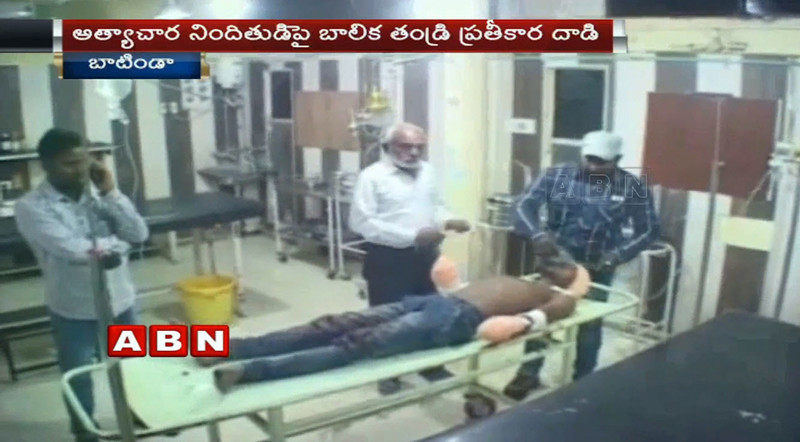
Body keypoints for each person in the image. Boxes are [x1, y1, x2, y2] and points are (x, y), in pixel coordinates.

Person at [201, 239, 591, 393]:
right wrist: (450, 282)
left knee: (353, 345)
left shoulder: (557, 297)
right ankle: (228, 348)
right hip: (433, 303)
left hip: (454, 321)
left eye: (565, 267)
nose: (557, 264)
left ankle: (248, 372)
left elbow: (557, 308)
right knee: (332, 323)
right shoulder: (523, 280)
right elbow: (466, 289)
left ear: (571, 280)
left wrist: (523, 323)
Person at [504, 130, 661, 401]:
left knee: (589, 326)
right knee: (542, 317)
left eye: (602, 162)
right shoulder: (557, 176)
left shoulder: (632, 187)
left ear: (617, 159)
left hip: (599, 267)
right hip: (556, 263)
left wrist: (618, 255)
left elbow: (648, 230)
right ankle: (528, 372)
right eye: (590, 159)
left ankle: (583, 381)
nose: (594, 166)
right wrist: (536, 235)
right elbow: (522, 206)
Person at [15, 128, 149, 442]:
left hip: (119, 299)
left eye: (84, 161)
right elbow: (73, 250)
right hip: (74, 306)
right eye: (69, 164)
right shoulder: (31, 206)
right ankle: (84, 431)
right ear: (46, 165)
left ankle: (141, 413)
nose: (79, 170)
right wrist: (119, 245)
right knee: (78, 374)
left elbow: (139, 233)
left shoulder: (99, 195)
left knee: (133, 365)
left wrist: (111, 192)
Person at [349, 122, 471, 393]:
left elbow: (436, 207)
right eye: (405, 146)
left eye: (419, 147)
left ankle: (430, 365)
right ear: (387, 147)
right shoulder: (372, 176)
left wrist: (449, 220)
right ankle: (387, 371)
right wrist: (412, 235)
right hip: (388, 258)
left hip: (426, 257)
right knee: (387, 315)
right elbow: (361, 222)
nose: (414, 152)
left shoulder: (428, 171)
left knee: (431, 310)